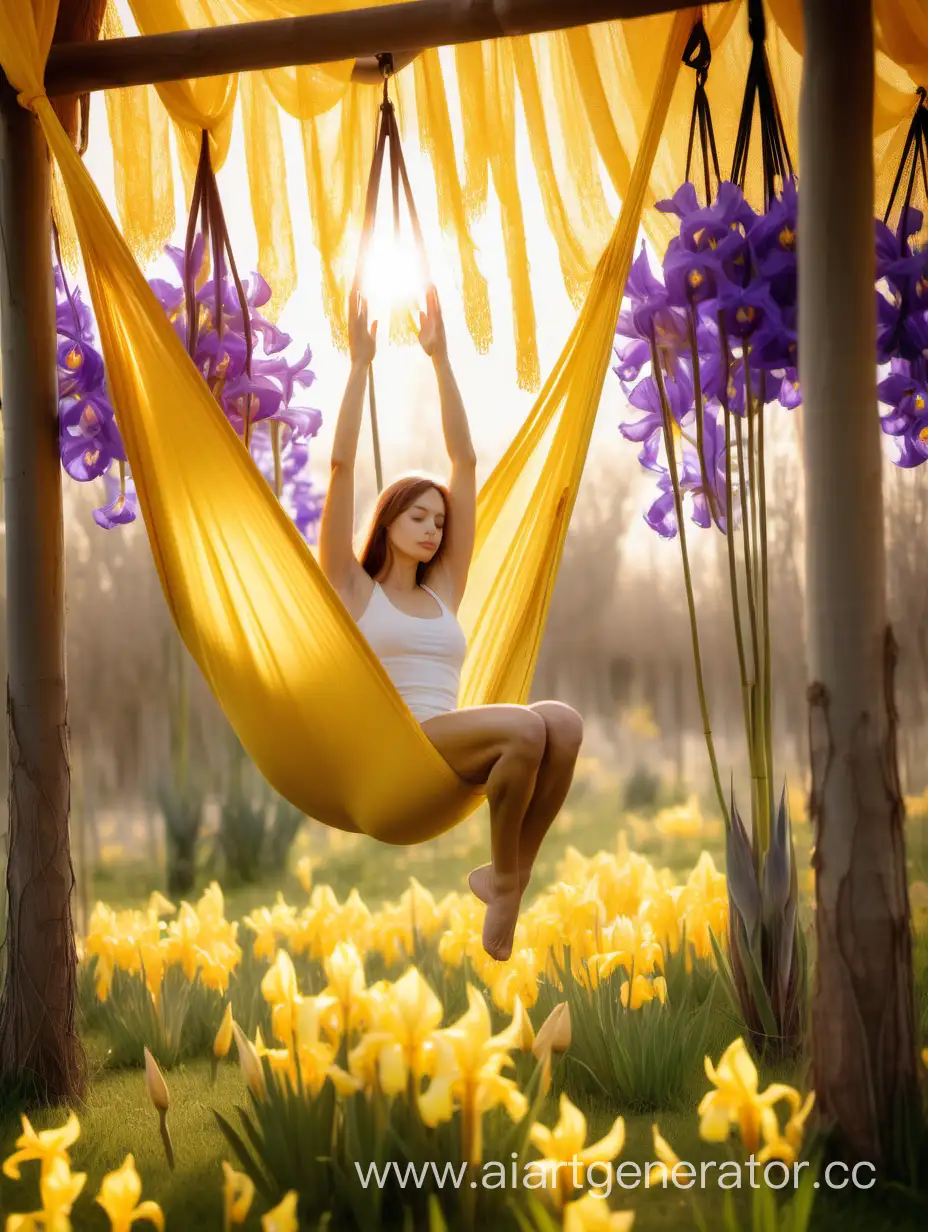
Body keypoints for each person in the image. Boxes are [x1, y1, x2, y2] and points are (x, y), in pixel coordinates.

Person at [318, 287, 583, 962]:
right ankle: (507, 884)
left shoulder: (445, 589)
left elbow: (464, 464)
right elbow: (342, 467)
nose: (435, 529)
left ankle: (506, 876)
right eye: (419, 518)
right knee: (526, 726)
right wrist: (360, 366)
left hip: (448, 757)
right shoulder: (350, 587)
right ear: (387, 520)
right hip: (395, 761)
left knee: (563, 723)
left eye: (440, 521)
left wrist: (440, 359)